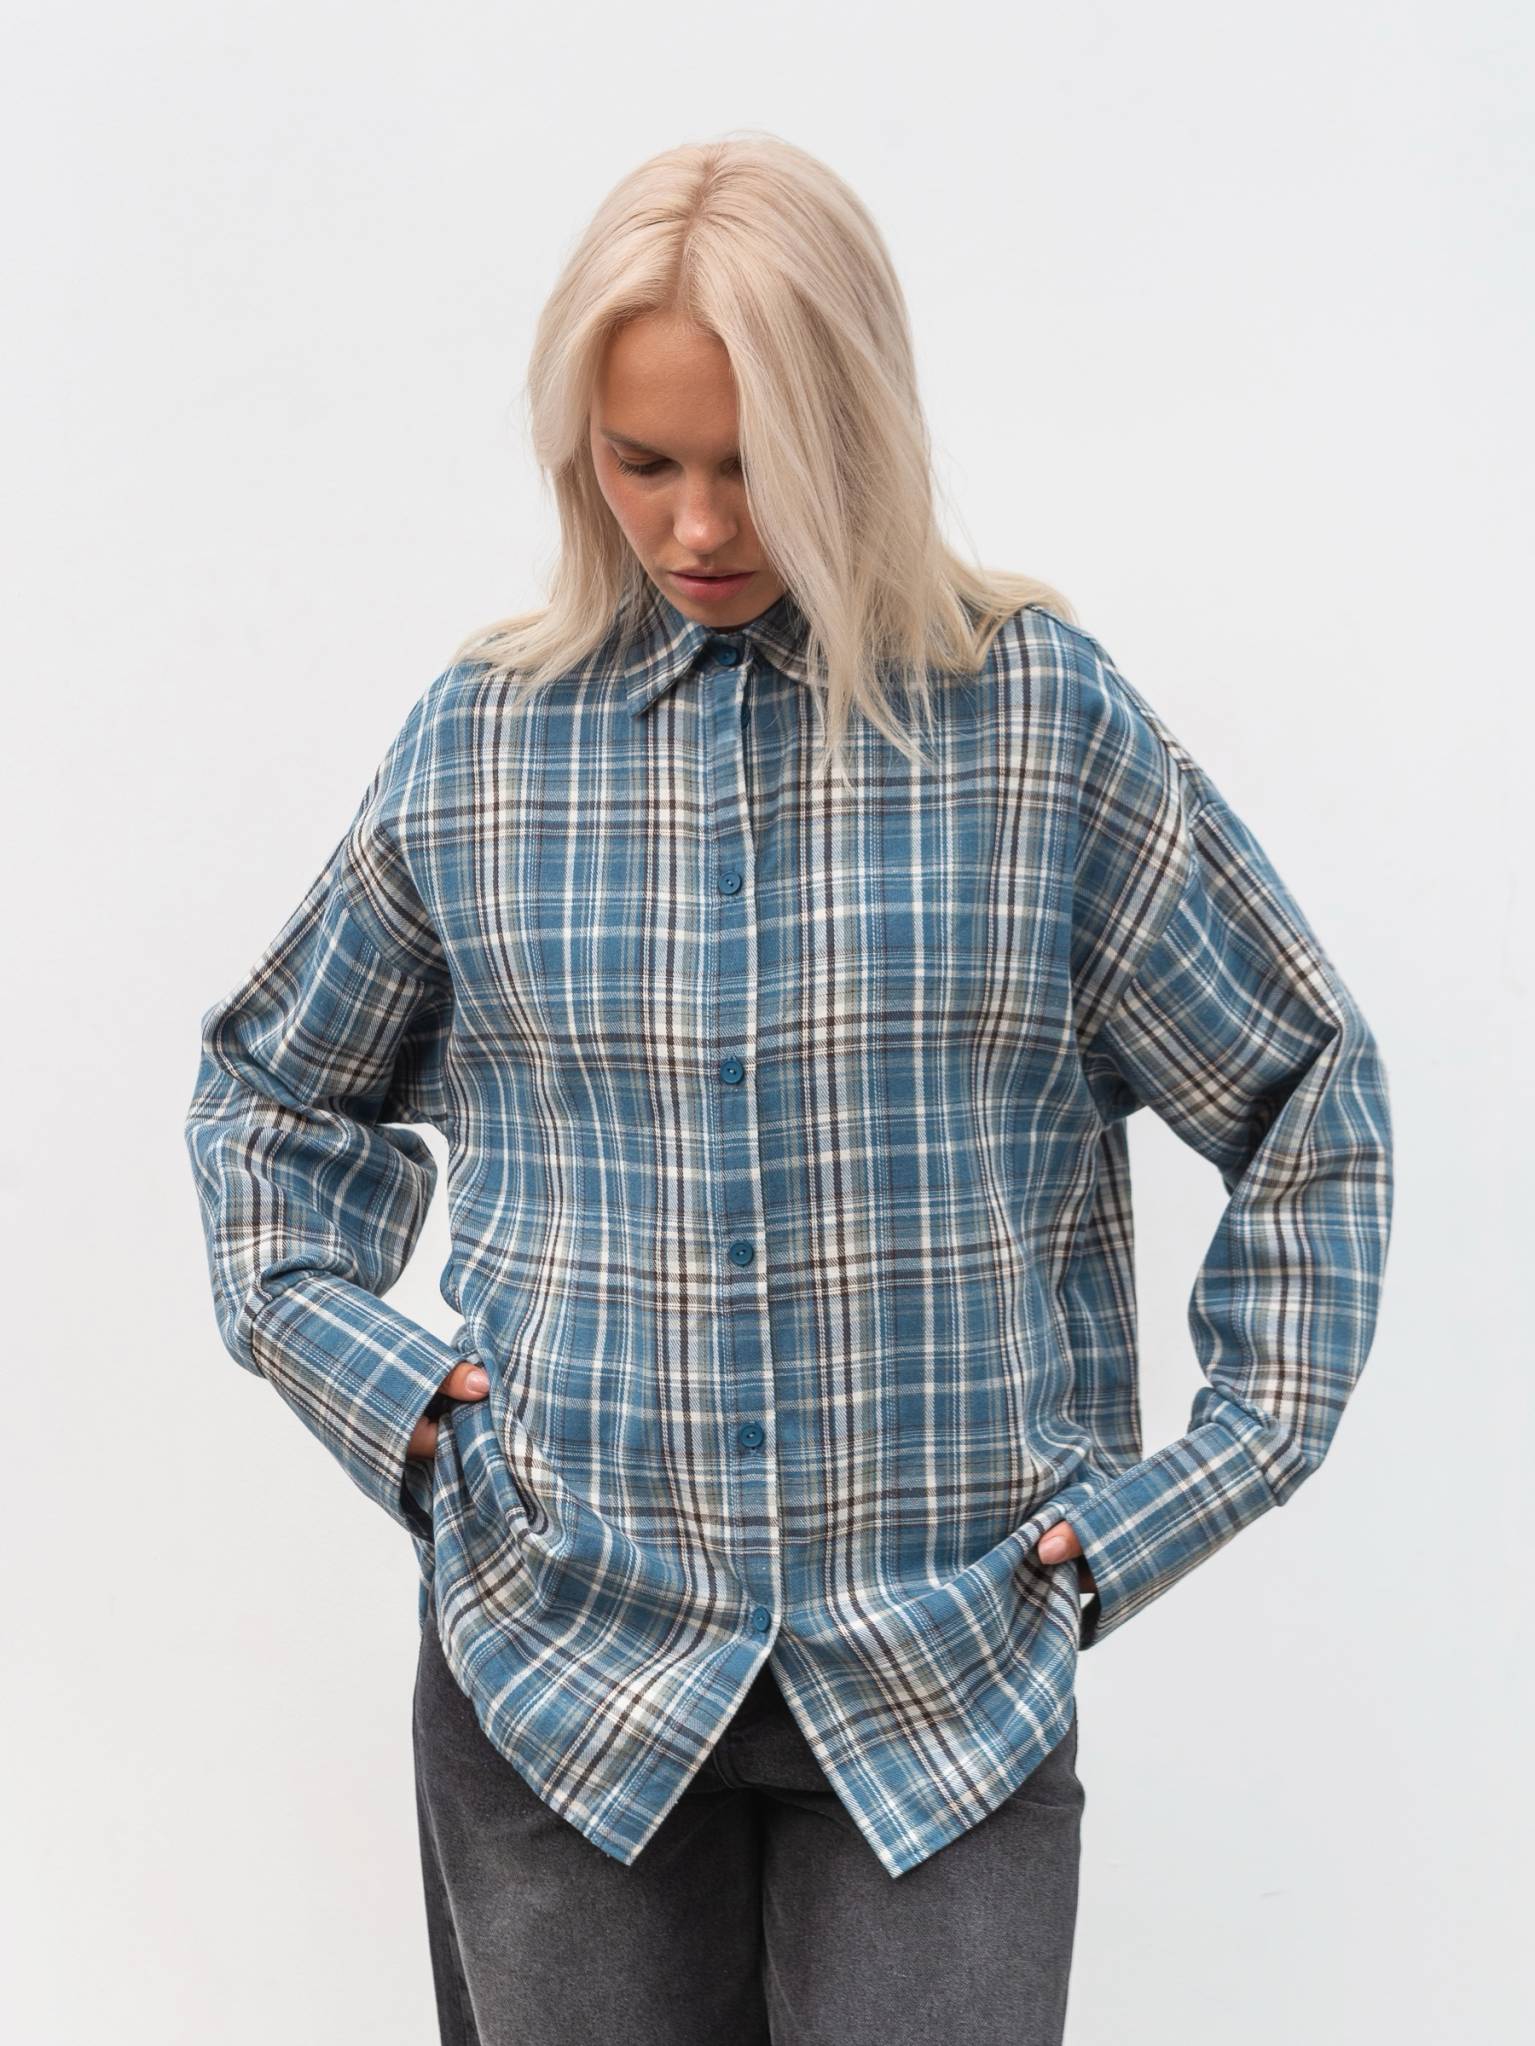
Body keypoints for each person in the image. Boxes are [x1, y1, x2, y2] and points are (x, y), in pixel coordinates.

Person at [183, 132, 1394, 2046]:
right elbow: (270, 1097)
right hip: (558, 1666)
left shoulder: (1042, 727)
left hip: (943, 1677)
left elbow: (1307, 1095)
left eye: (752, 460)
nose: (694, 525)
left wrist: (1189, 1487)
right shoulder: (486, 744)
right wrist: (400, 1409)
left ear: (859, 428)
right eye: (641, 460)